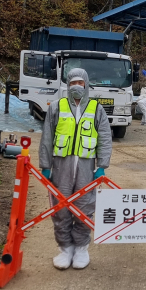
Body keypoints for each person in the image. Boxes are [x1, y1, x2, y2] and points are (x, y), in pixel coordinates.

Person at [39, 68, 112, 270]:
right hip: (61, 165)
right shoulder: (56, 107)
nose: (77, 87)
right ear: (68, 85)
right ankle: (65, 248)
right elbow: (47, 137)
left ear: (86, 84)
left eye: (80, 83)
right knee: (60, 206)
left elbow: (105, 138)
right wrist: (45, 165)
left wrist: (102, 166)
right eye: (73, 83)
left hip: (87, 167)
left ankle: (81, 247)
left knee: (84, 206)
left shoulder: (97, 109)